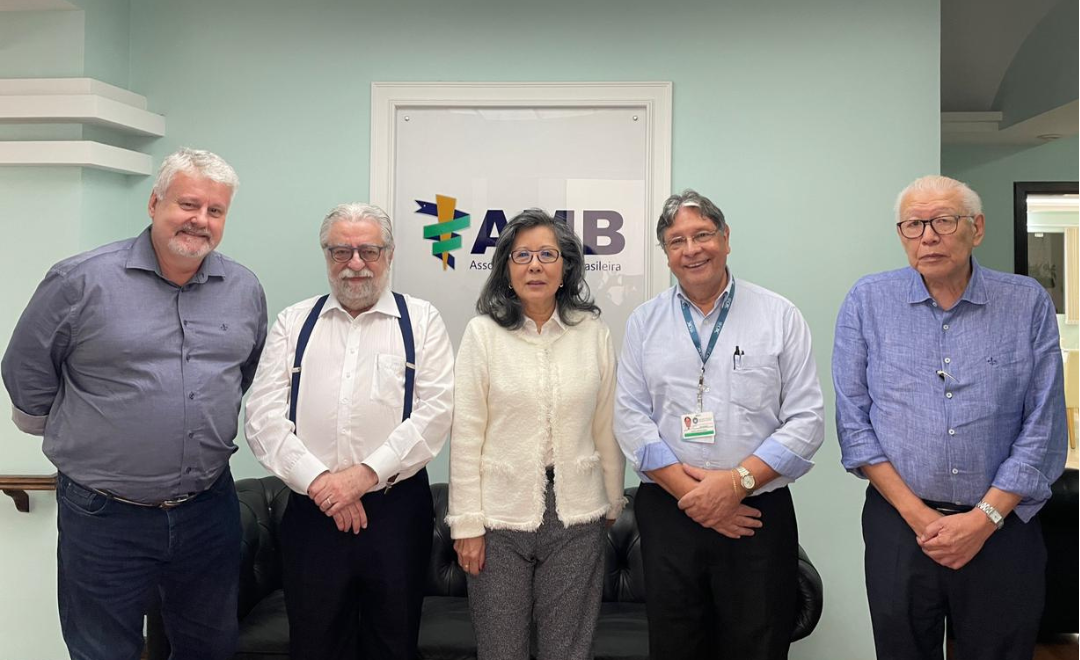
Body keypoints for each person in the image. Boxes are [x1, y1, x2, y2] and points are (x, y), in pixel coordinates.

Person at [2, 148, 266, 660]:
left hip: (207, 508)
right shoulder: (80, 280)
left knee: (211, 647)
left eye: (215, 210)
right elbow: (26, 369)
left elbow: (244, 372)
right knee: (103, 650)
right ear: (154, 203)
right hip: (103, 513)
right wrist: (81, 430)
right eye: (188, 204)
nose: (200, 220)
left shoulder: (244, 288)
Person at [833, 175, 1067, 660]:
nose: (928, 237)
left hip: (1003, 527)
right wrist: (919, 517)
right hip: (901, 523)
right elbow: (854, 423)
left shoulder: (1025, 302)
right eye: (913, 225)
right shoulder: (867, 301)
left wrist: (983, 520)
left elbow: (1043, 425)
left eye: (943, 221)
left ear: (976, 228)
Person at [614, 189, 824, 660]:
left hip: (756, 511)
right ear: (666, 253)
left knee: (759, 642)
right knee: (676, 646)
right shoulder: (644, 322)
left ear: (726, 238)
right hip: (671, 511)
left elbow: (807, 420)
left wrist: (734, 485)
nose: (691, 250)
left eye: (702, 235)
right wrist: (697, 498)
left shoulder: (779, 316)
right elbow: (630, 417)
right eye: (677, 241)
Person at [244, 203, 454, 660]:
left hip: (396, 511)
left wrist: (362, 477)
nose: (355, 263)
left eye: (368, 251)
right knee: (314, 644)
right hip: (311, 510)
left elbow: (436, 412)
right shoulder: (294, 322)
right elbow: (261, 416)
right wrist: (322, 483)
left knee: (393, 644)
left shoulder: (421, 321)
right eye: (341, 251)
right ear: (326, 255)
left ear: (389, 254)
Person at [447, 209, 626, 660]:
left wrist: (612, 500)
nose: (535, 266)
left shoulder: (593, 333)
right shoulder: (483, 334)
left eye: (547, 254)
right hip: (498, 519)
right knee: (500, 649)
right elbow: (466, 434)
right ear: (506, 268)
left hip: (577, 516)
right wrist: (466, 525)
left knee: (568, 651)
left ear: (566, 267)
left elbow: (605, 424)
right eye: (522, 255)